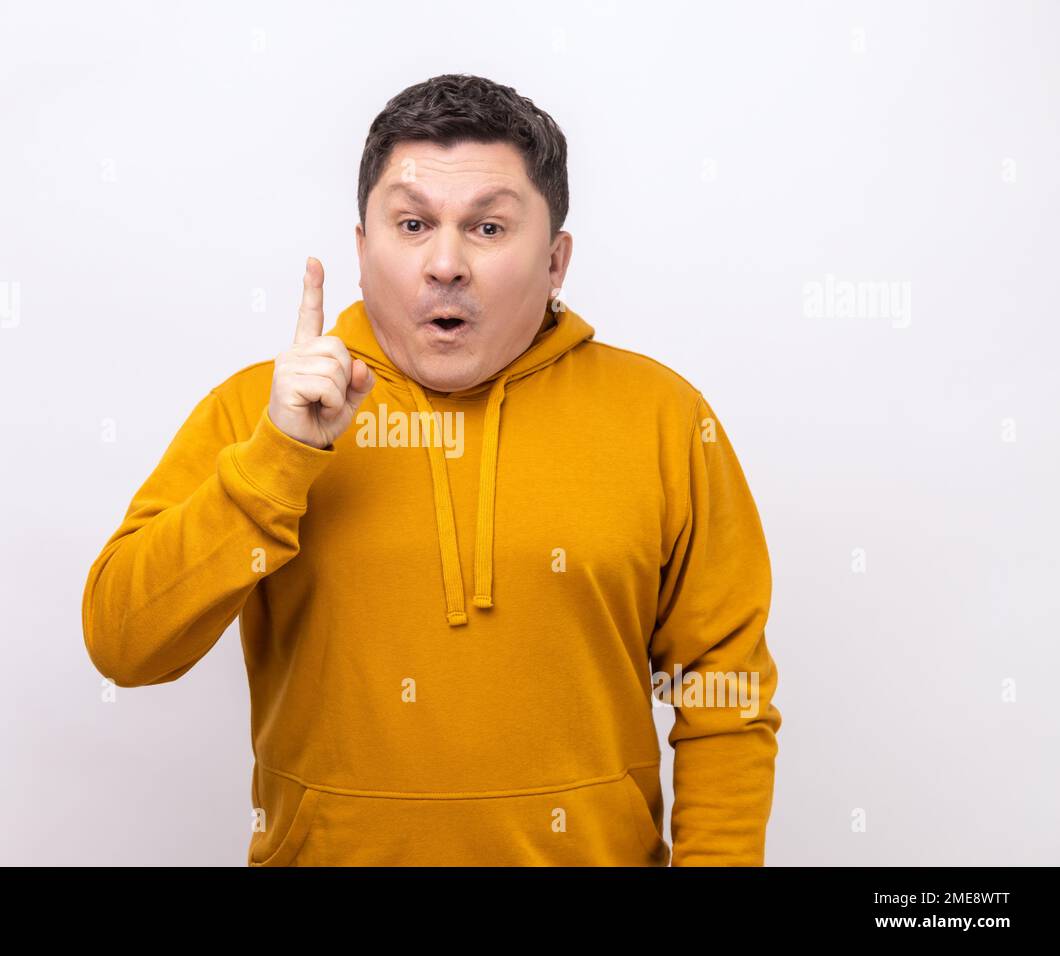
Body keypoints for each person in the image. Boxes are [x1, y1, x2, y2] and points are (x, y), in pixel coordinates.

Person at [81, 73, 782, 866]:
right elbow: (124, 645)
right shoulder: (260, 412)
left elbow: (725, 696)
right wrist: (280, 459)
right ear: (361, 248)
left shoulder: (664, 417)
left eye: (488, 228)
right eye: (413, 223)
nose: (445, 263)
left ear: (556, 261)